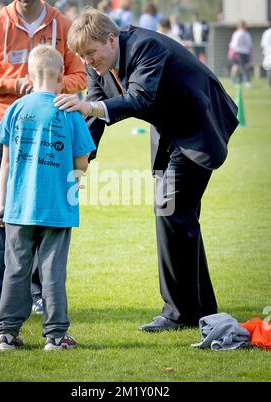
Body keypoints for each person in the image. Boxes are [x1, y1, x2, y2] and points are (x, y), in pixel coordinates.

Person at [54, 8, 239, 332]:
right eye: (81, 56)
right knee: (180, 217)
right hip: (170, 132)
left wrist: (92, 106)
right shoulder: (100, 65)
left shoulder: (145, 47)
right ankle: (201, 309)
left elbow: (140, 99)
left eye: (91, 52)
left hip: (197, 127)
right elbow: (96, 117)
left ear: (111, 39)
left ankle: (177, 313)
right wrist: (78, 164)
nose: (87, 61)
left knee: (169, 211)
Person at [0, 0, 86, 320]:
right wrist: (11, 85)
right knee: (0, 206)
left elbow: (80, 75)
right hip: (3, 124)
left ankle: (37, 292)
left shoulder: (62, 24)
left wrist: (46, 86)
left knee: (43, 205)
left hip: (49, 128)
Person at [0, 44, 96, 351]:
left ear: (28, 75)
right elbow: (82, 160)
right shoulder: (69, 110)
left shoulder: (15, 109)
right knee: (52, 272)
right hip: (56, 208)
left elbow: (6, 162)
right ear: (62, 76)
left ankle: (7, 335)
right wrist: (76, 184)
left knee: (15, 269)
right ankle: (55, 336)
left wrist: (2, 202)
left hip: (18, 207)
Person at [228, 20, 253, 86]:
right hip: (239, 52)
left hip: (241, 52)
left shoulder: (239, 33)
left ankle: (238, 79)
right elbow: (249, 45)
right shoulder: (244, 34)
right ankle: (246, 81)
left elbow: (233, 45)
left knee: (237, 66)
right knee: (241, 66)